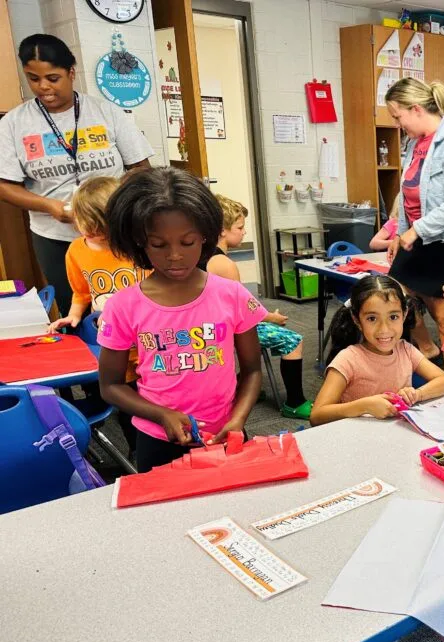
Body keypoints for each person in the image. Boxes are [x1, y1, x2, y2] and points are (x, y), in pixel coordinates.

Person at [97, 168, 266, 473]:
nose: (174, 255)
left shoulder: (232, 295)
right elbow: (110, 386)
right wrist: (161, 414)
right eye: (159, 245)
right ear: (139, 242)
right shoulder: (123, 306)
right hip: (158, 440)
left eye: (187, 243)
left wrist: (237, 420)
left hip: (227, 433)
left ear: (205, 235)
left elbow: (252, 370)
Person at [0, 34, 153, 315]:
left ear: (71, 72)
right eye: (33, 79)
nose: (43, 87)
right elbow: (4, 185)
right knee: (75, 307)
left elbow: (140, 168)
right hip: (54, 235)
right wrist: (49, 206)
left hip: (115, 231)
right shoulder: (14, 123)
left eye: (53, 78)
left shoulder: (106, 111)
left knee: (131, 303)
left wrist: (111, 203)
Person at [384, 77, 444, 385]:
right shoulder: (415, 143)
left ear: (416, 109)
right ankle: (425, 346)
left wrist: (416, 231)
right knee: (391, 293)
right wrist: (401, 232)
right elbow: (409, 194)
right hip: (419, 240)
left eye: (398, 117)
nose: (397, 124)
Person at [47, 175, 146, 452]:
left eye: (97, 224)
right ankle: (136, 450)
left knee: (156, 396)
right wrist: (74, 315)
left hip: (147, 341)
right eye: (83, 222)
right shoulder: (76, 250)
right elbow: (82, 292)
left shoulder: (137, 245)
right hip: (112, 342)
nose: (88, 230)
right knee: (127, 402)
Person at [206, 194, 313, 419]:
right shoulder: (224, 264)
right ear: (222, 230)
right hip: (226, 331)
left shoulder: (202, 256)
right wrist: (271, 317)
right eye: (240, 227)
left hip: (210, 329)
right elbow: (244, 310)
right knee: (293, 341)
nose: (244, 232)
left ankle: (244, 385)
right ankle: (294, 402)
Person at [310, 274, 444, 425]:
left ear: (404, 315)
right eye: (372, 318)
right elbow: (317, 415)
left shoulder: (405, 350)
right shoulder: (348, 359)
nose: (384, 329)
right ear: (357, 320)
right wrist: (363, 406)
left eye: (393, 317)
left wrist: (417, 394)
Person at [369, 197, 440, 359]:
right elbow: (374, 242)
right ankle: (426, 346)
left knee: (439, 315)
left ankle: (435, 346)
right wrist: (398, 239)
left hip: (430, 263)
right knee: (400, 300)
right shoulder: (396, 224)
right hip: (410, 265)